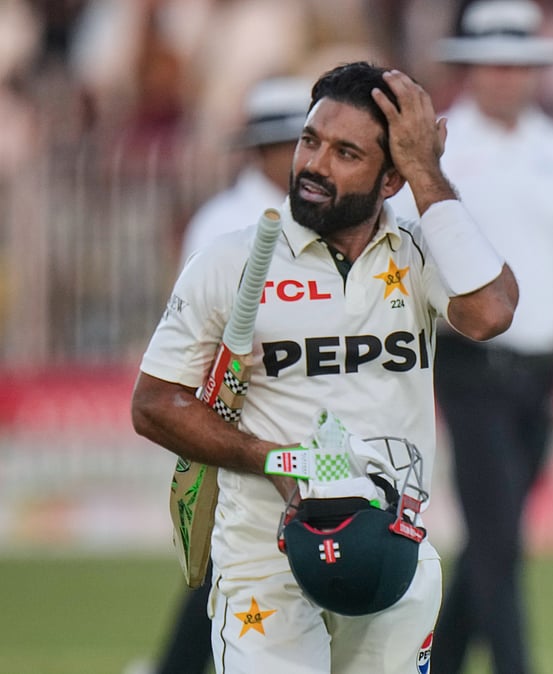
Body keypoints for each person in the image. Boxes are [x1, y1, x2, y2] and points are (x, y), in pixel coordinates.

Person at [130, 61, 518, 673]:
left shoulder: (420, 254)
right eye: (310, 141)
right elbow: (154, 403)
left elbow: (491, 311)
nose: (313, 164)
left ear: (389, 180)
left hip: (394, 549)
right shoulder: (229, 261)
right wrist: (274, 461)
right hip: (265, 565)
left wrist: (426, 170)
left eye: (345, 153)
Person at [388, 2, 553, 672]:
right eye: (494, 65)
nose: (506, 78)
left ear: (535, 72)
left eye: (518, 65)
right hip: (469, 365)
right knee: (499, 540)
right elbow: (400, 249)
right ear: (471, 68)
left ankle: (439, 662)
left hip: (542, 370)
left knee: (491, 539)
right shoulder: (439, 150)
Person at [136, 75, 312, 674]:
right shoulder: (221, 222)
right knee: (230, 554)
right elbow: (190, 328)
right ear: (260, 149)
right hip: (227, 412)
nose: (296, 157)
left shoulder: (318, 219)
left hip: (295, 414)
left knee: (259, 557)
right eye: (286, 142)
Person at [179, 76, 312, 262]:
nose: (310, 158)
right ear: (263, 150)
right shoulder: (222, 224)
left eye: (313, 145)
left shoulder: (329, 213)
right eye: (294, 146)